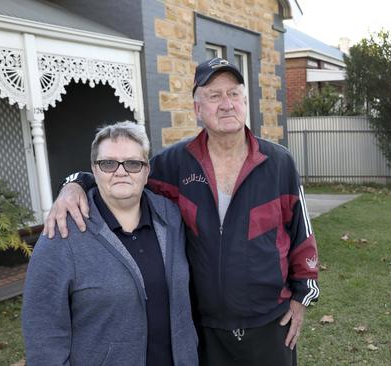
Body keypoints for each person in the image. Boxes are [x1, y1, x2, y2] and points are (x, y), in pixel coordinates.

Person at [44, 58, 320, 365]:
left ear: (245, 101)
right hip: (203, 329)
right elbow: (123, 180)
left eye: (233, 94)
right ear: (197, 110)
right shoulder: (174, 164)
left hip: (271, 326)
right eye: (214, 96)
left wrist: (301, 296)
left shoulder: (279, 162)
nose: (226, 104)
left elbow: (301, 234)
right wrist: (76, 183)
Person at [23, 122, 198, 365]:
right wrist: (73, 183)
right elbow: (43, 331)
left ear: (147, 171)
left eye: (133, 163)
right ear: (94, 171)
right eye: (108, 163)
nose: (121, 172)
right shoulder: (62, 233)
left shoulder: (171, 217)